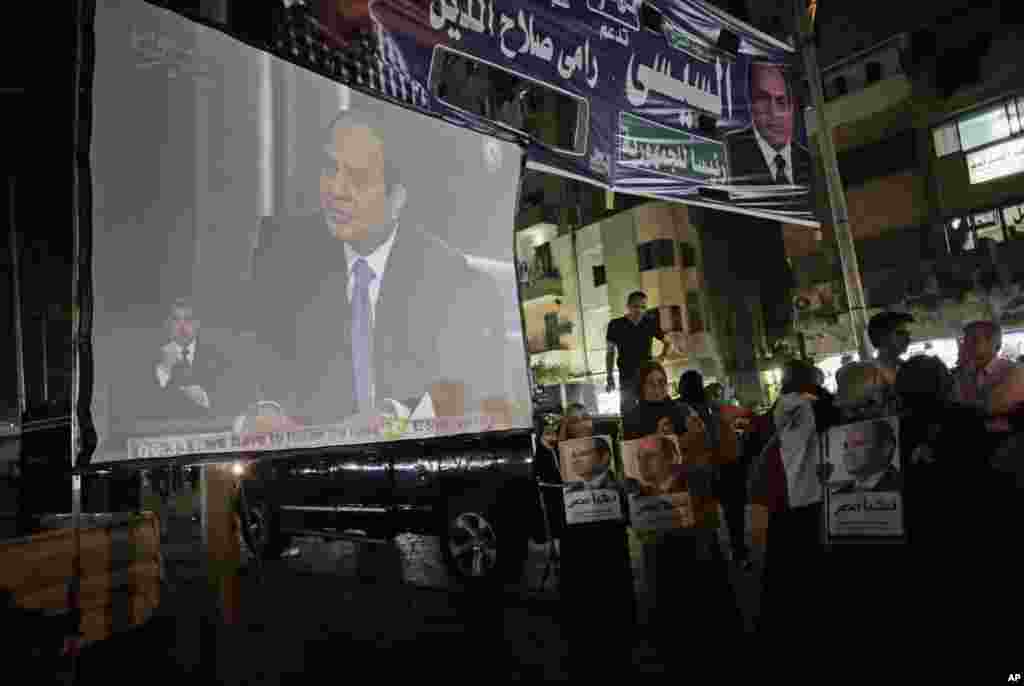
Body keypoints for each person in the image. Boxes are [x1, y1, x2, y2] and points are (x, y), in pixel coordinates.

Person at [248, 109, 506, 426]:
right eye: (330, 169)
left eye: (356, 178)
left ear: (397, 200)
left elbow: (469, 389)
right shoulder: (283, 256)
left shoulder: (453, 281)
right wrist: (267, 408)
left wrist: (393, 420)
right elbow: (250, 356)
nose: (335, 190)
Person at [725, 63, 811, 187]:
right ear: (750, 103)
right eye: (763, 100)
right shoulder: (729, 151)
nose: (774, 112)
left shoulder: (806, 159)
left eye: (781, 101)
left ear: (792, 106)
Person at [148, 299, 226, 420]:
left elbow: (231, 400)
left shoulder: (216, 356)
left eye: (188, 320)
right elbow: (147, 405)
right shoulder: (152, 356)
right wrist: (165, 368)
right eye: (176, 320)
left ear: (197, 324)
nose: (182, 326)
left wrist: (203, 397)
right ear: (168, 324)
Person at [605, 292, 673, 416]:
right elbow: (610, 353)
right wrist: (609, 376)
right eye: (636, 306)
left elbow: (668, 342)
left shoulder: (650, 322)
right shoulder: (615, 325)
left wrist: (661, 358)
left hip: (647, 374)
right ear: (628, 306)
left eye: (643, 307)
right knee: (627, 411)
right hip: (626, 374)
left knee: (650, 409)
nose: (639, 310)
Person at [829, 418, 902, 493]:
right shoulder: (839, 494)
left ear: (886, 448)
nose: (848, 453)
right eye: (846, 446)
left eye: (858, 444)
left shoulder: (900, 485)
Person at [867, 310, 915, 385]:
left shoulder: (906, 368)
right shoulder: (871, 375)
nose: (908, 338)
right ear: (882, 337)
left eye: (908, 333)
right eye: (901, 333)